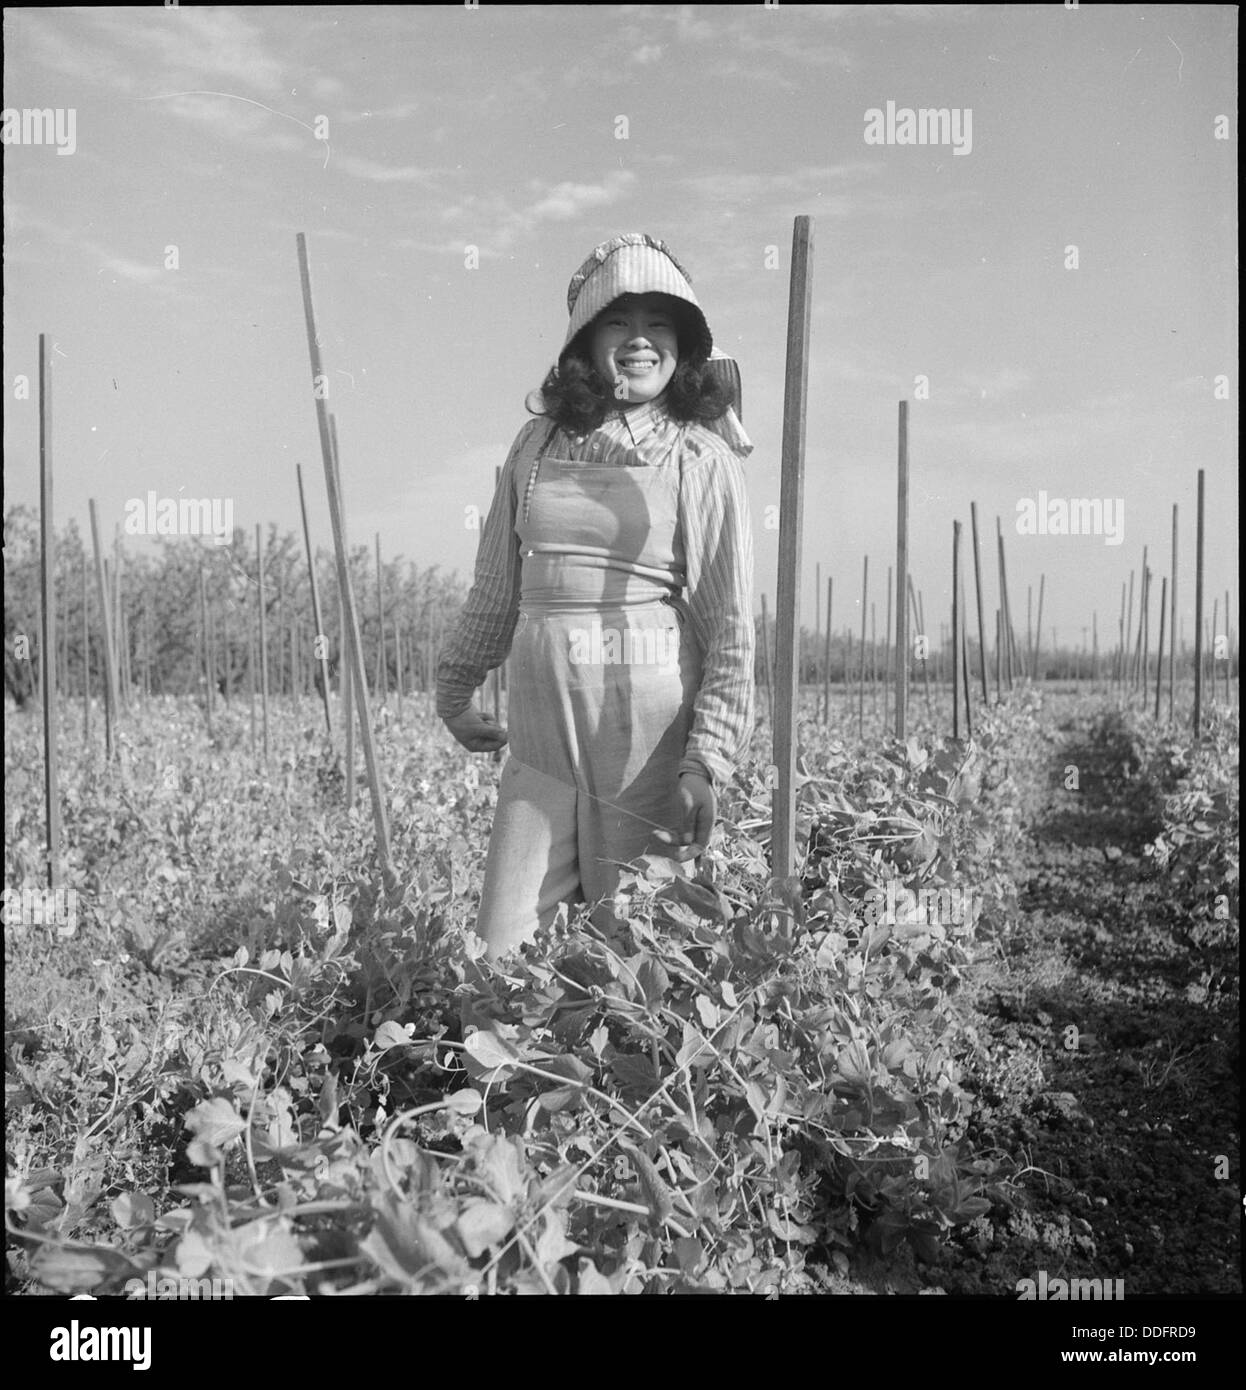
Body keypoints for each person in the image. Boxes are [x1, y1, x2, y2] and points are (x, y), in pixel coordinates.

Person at [436, 232, 755, 965]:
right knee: (501, 957)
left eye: (660, 325)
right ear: (586, 338)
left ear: (683, 347)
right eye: (620, 320)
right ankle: (506, 1075)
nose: (640, 341)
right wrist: (455, 692)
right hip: (542, 739)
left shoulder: (698, 459)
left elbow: (730, 628)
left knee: (639, 956)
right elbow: (496, 587)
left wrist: (707, 761)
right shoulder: (536, 446)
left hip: (644, 750)